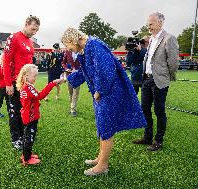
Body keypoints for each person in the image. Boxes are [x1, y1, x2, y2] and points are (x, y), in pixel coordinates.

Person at [61, 28, 146, 176]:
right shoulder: (87, 48)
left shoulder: (94, 45)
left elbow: (106, 70)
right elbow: (85, 71)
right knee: (102, 125)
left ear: (72, 40)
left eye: (67, 45)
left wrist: (99, 91)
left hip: (109, 92)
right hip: (103, 92)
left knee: (106, 128)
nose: (68, 49)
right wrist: (67, 79)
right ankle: (100, 158)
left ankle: (103, 166)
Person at [132, 12, 179, 151]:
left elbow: (173, 62)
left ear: (161, 23)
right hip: (146, 79)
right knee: (145, 108)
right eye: (148, 24)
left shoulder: (169, 38)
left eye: (151, 24)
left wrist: (167, 77)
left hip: (160, 80)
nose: (149, 26)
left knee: (159, 111)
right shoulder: (151, 39)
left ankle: (158, 141)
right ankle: (147, 137)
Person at [3, 15, 40, 150]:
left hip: (26, 83)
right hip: (14, 81)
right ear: (26, 24)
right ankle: (15, 138)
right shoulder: (14, 38)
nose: (34, 32)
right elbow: (6, 61)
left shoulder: (30, 42)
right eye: (33, 29)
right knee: (14, 111)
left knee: (25, 109)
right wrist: (8, 83)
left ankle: (24, 133)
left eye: (36, 30)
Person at [16, 64, 63, 165]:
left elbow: (29, 101)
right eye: (34, 76)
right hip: (30, 117)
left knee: (27, 136)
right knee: (29, 137)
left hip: (27, 116)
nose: (35, 78)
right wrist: (52, 83)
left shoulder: (26, 86)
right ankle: (27, 159)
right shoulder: (28, 88)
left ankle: (26, 154)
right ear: (27, 75)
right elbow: (40, 96)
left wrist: (35, 103)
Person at [61, 49, 81, 116]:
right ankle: (71, 107)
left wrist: (78, 70)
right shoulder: (67, 51)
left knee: (76, 93)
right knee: (70, 93)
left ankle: (73, 109)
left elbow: (84, 63)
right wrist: (66, 68)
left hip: (77, 75)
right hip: (69, 75)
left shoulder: (81, 51)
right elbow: (63, 63)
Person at [0, 53, 9, 118]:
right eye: (2, 58)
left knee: (8, 100)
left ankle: (9, 111)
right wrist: (4, 71)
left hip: (8, 86)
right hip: (1, 87)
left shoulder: (8, 66)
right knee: (0, 100)